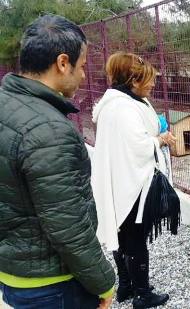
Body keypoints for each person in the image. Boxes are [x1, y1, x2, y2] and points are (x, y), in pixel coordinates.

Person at [0, 15, 115, 309]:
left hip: (14, 272)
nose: (83, 76)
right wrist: (104, 283)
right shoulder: (48, 130)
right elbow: (68, 226)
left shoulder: (6, 105)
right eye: (81, 66)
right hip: (53, 284)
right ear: (62, 63)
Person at [91, 52, 175, 309]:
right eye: (148, 80)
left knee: (122, 235)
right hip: (132, 184)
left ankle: (126, 285)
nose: (152, 85)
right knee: (136, 237)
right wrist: (160, 140)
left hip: (119, 180)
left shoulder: (115, 103)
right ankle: (142, 294)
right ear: (132, 80)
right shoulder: (123, 107)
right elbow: (137, 145)